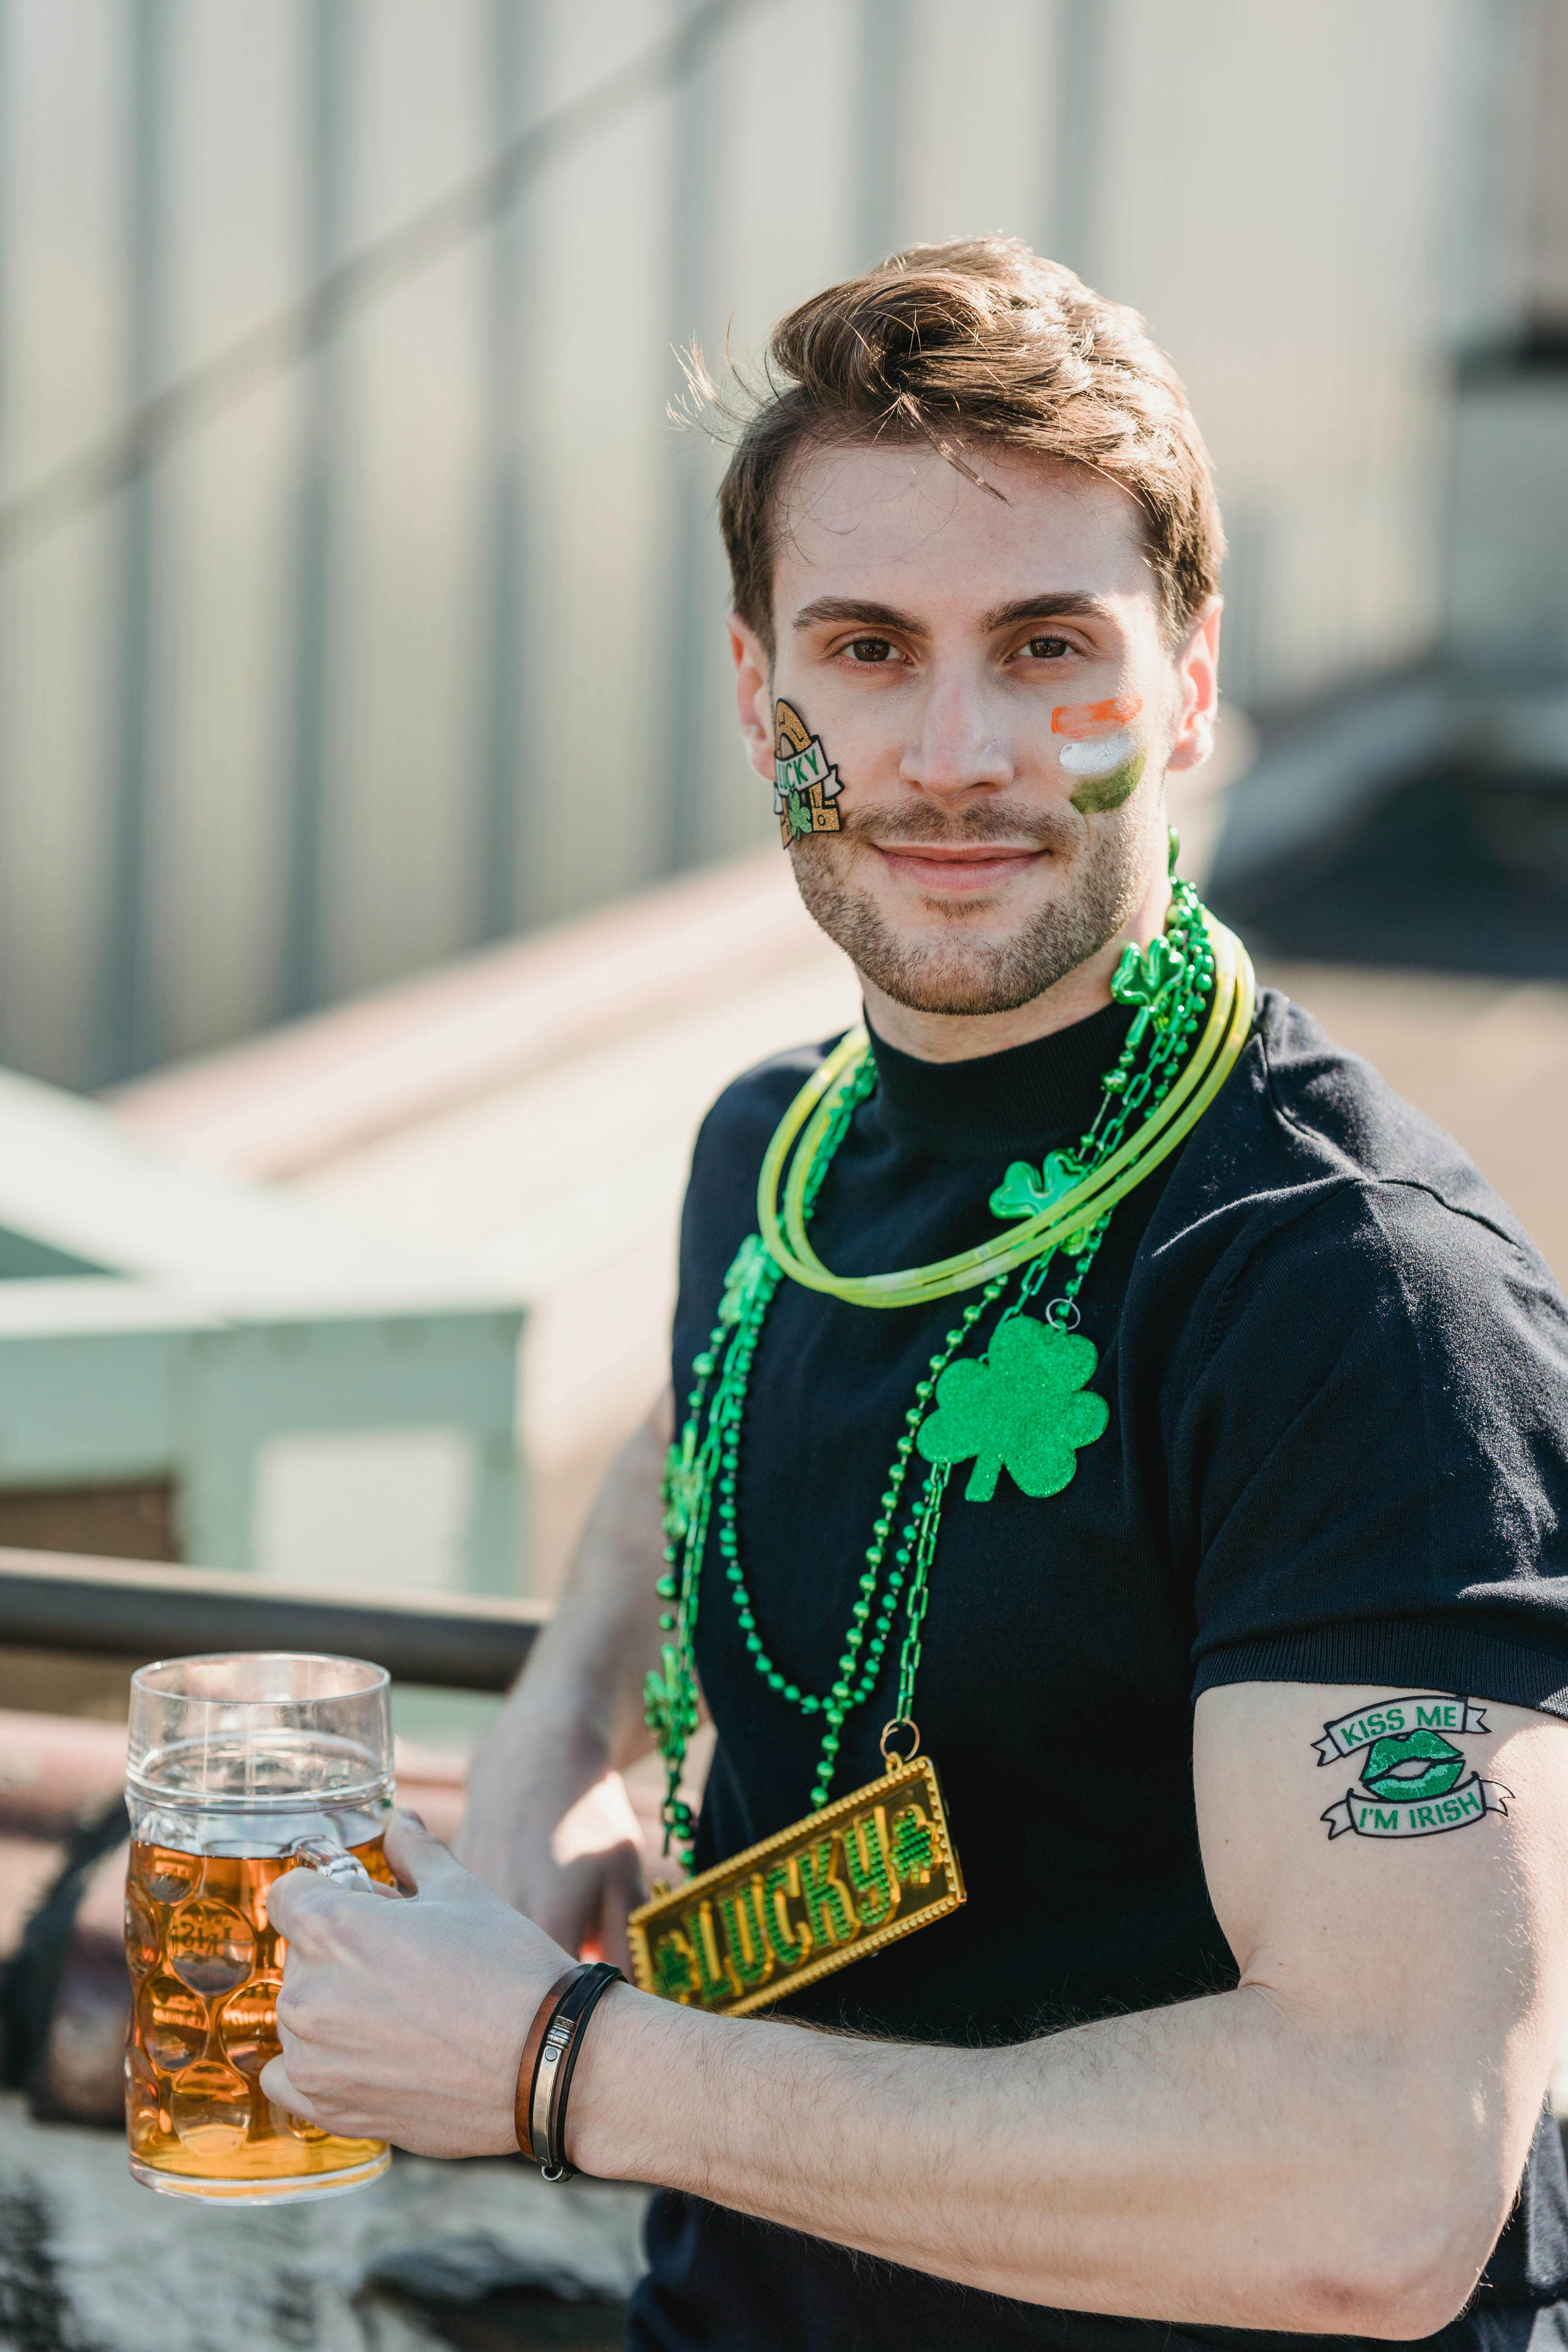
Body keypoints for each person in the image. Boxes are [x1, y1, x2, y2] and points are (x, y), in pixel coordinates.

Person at [262, 240, 1568, 2351]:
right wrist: (568, 1714)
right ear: (757, 686)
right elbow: (700, 1433)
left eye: (1048, 643)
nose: (951, 756)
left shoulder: (1351, 1294)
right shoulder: (768, 1160)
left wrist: (562, 2065)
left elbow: (1387, 2178)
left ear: (1193, 680)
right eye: (865, 648)